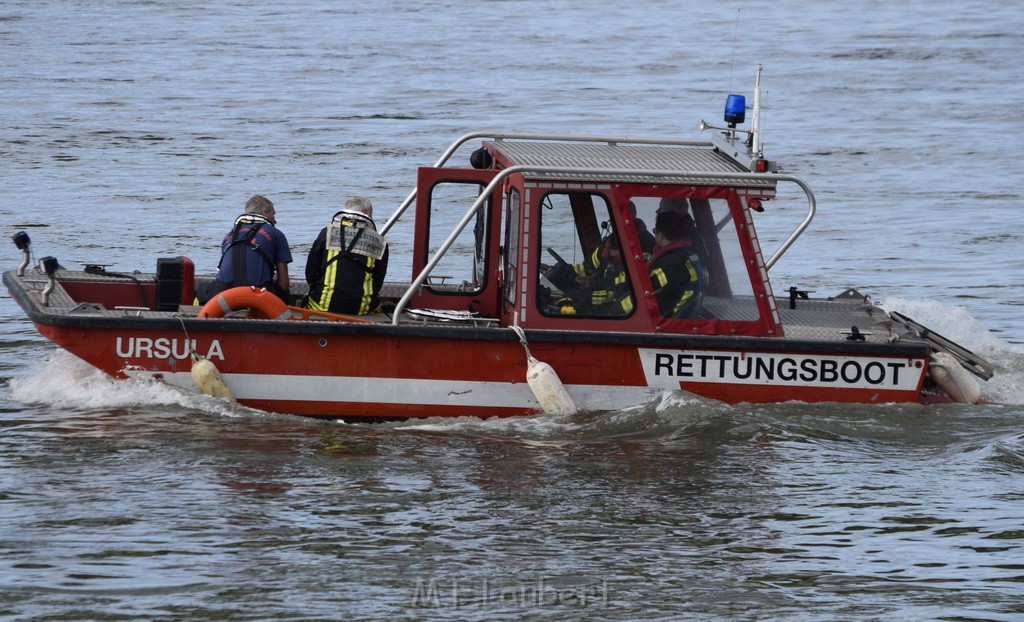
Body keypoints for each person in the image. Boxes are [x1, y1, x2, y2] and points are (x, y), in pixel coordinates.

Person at [198, 194, 292, 304]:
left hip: (224, 293)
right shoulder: (277, 234)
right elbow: (283, 284)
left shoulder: (229, 236)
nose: (275, 220)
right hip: (257, 294)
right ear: (265, 213)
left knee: (202, 290)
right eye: (273, 214)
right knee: (284, 294)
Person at [305, 196, 389, 315]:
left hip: (322, 305)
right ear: (365, 212)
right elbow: (378, 279)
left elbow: (311, 270)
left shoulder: (327, 232)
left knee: (305, 302)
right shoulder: (379, 241)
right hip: (362, 308)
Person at [648, 210, 710, 318]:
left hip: (664, 321)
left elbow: (645, 297)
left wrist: (613, 310)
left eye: (655, 231)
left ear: (661, 234)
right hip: (679, 316)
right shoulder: (689, 254)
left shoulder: (672, 264)